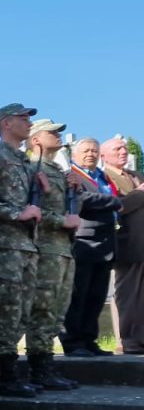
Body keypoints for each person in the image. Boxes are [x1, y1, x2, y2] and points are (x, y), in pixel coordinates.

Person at [0, 104, 43, 396]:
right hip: (6, 243)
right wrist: (18, 214)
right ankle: (6, 374)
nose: (29, 123)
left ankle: (17, 370)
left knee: (25, 308)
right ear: (6, 123)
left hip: (27, 244)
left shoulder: (24, 161)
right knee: (10, 307)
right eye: (23, 118)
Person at [24, 120, 81, 389]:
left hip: (63, 248)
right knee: (43, 309)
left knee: (58, 310)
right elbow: (28, 210)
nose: (58, 136)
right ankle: (39, 368)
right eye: (52, 132)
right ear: (35, 139)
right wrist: (59, 221)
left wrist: (75, 190)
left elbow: (67, 209)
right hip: (45, 248)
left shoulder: (58, 169)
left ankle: (47, 364)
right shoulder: (31, 169)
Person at [62, 138, 122, 356]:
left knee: (96, 296)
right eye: (86, 150)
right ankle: (73, 342)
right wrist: (113, 201)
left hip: (106, 243)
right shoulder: (71, 174)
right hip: (84, 241)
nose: (91, 154)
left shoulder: (102, 176)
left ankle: (89, 340)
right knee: (78, 295)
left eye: (94, 151)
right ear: (74, 154)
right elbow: (81, 199)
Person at [102, 138, 144, 354]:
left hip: (142, 242)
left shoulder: (135, 176)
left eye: (125, 148)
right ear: (104, 156)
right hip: (126, 243)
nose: (123, 152)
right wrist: (140, 193)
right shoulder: (105, 177)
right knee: (128, 293)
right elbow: (117, 206)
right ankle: (127, 339)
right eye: (117, 149)